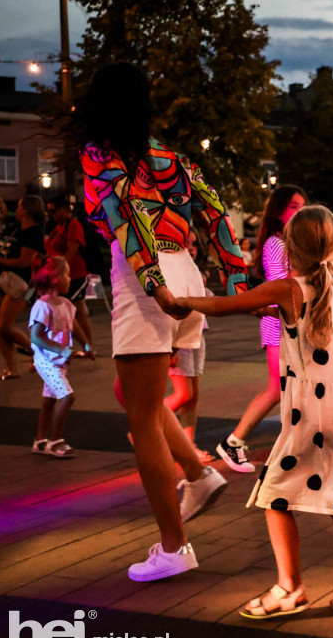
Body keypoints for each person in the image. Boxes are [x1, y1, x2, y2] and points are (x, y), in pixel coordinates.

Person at [73, 63, 242, 581]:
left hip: (147, 277)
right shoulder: (168, 156)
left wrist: (151, 282)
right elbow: (214, 212)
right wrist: (236, 284)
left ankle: (174, 547)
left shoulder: (99, 154)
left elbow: (124, 217)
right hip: (186, 273)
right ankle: (197, 471)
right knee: (135, 397)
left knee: (141, 418)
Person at [175, 205, 333, 619]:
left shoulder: (286, 287)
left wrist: (176, 299)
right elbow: (305, 322)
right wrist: (273, 311)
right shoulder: (325, 285)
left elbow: (221, 306)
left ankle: (290, 588)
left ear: (289, 247)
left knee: (274, 497)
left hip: (311, 411)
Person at [216, 185, 306, 473]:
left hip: (288, 322)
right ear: (278, 211)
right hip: (278, 324)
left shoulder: (289, 242)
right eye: (293, 206)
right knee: (278, 389)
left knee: (291, 388)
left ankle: (296, 446)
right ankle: (234, 440)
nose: (300, 211)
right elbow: (282, 289)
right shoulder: (275, 244)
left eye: (303, 205)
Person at [29, 256, 95, 458]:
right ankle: (56, 442)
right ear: (55, 278)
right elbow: (36, 337)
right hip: (47, 361)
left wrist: (86, 345)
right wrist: (62, 350)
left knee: (49, 400)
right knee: (67, 397)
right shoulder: (42, 306)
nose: (70, 278)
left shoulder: (65, 304)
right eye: (66, 273)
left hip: (59, 362)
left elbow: (74, 327)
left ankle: (40, 441)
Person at [165, 232, 213, 462]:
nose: (191, 248)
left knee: (193, 396)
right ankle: (145, 422)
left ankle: (188, 445)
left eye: (194, 243)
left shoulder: (197, 274)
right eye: (185, 243)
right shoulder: (172, 272)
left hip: (197, 336)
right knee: (184, 393)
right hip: (179, 340)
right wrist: (171, 347)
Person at [0, 195, 46, 379]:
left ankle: (39, 352)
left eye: (18, 207)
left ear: (26, 210)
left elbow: (23, 262)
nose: (15, 210)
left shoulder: (33, 232)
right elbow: (4, 216)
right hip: (4, 280)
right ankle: (12, 369)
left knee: (3, 327)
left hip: (21, 283)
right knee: (0, 328)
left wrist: (0, 260)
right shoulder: (15, 227)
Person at [45, 196, 95, 352]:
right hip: (62, 276)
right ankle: (86, 348)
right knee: (76, 312)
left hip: (74, 275)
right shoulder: (56, 228)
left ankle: (86, 347)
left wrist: (59, 269)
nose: (51, 214)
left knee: (70, 311)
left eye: (54, 210)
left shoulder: (73, 225)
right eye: (49, 211)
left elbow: (72, 250)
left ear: (64, 209)